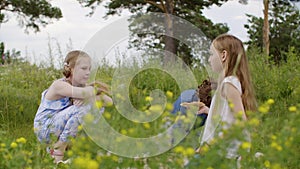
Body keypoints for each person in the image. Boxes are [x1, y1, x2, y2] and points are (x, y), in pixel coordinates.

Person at [33, 50, 113, 163]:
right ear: (71, 69)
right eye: (84, 68)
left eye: (89, 69)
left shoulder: (82, 87)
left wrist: (89, 98)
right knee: (83, 107)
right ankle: (58, 150)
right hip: (45, 129)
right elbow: (86, 93)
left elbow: (109, 101)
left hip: (60, 127)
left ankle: (81, 151)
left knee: (97, 107)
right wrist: (88, 95)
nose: (88, 72)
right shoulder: (59, 85)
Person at [196, 34, 257, 162]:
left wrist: (208, 145)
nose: (209, 59)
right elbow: (229, 114)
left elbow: (240, 122)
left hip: (224, 153)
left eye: (212, 54)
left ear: (223, 55)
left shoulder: (229, 83)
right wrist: (208, 110)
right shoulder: (228, 82)